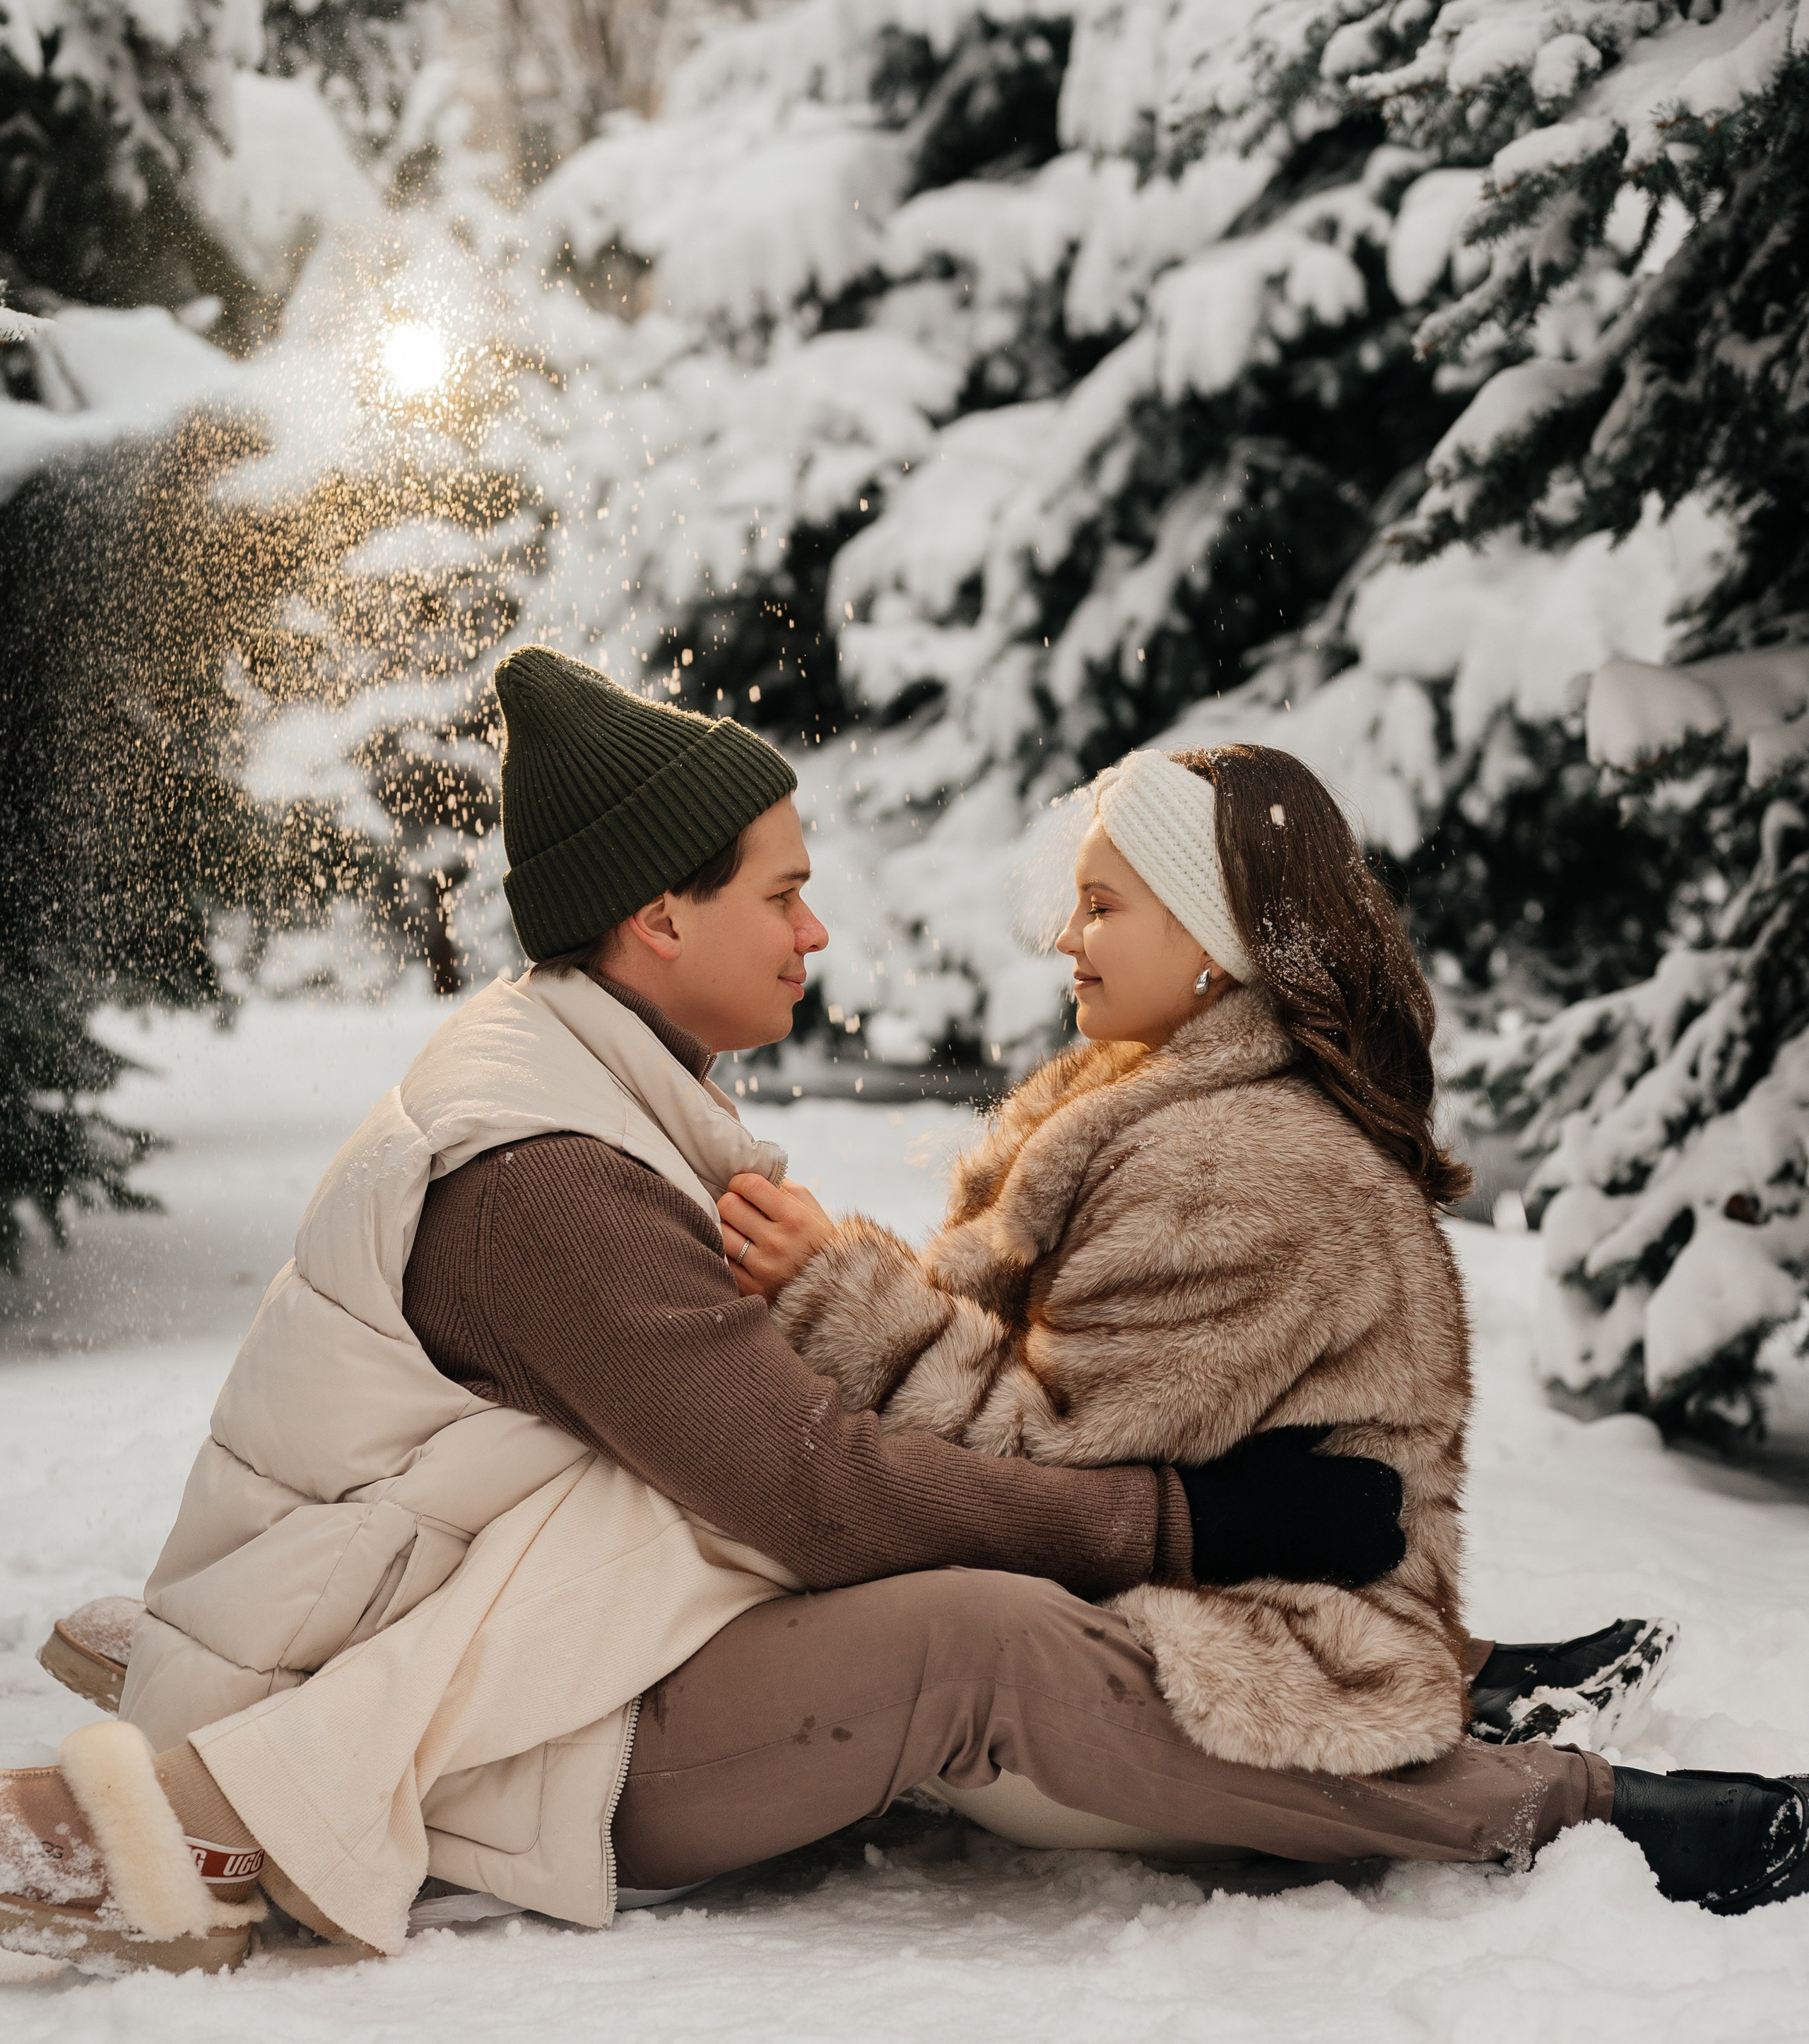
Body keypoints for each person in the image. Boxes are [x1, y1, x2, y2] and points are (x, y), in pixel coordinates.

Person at [1, 659, 1800, 1975]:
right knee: (978, 1645)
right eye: (781, 893)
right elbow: (824, 1496)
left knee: (995, 1564)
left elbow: (833, 1423)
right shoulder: (541, 1172)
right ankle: (1564, 1808)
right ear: (654, 916)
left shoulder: (599, 1083)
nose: (818, 933)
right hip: (498, 1721)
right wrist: (1202, 1518)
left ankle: (1432, 1695)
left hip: (544, 1638)